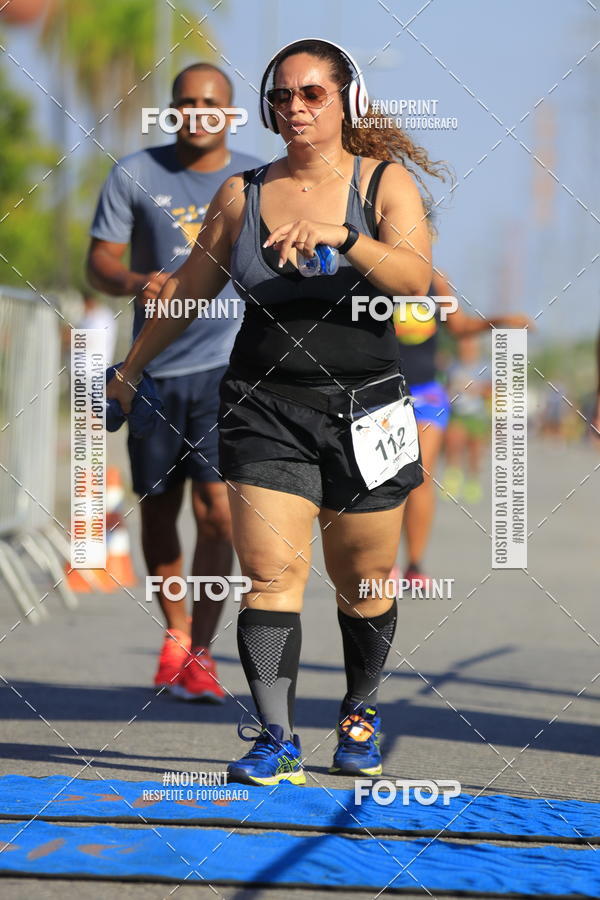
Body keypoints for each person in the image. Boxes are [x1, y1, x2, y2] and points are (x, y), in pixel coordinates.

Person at [107, 37, 447, 785]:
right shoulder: (244, 193)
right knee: (268, 576)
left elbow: (416, 280)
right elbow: (189, 292)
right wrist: (129, 373)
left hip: (368, 412)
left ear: (346, 101)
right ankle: (275, 736)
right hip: (264, 404)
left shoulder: (382, 183)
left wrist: (344, 237)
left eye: (311, 93)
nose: (295, 107)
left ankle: (359, 712)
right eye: (282, 95)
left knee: (365, 580)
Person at [87, 63, 262, 701]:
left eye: (211, 103)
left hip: (229, 368)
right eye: (186, 103)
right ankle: (177, 635)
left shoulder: (258, 180)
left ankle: (203, 653)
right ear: (171, 109)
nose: (198, 113)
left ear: (230, 112)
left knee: (217, 513)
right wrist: (141, 282)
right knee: (159, 508)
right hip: (155, 370)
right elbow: (99, 263)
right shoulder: (134, 172)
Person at [392, 268, 531, 587]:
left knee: (419, 475)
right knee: (384, 477)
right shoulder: (371, 271)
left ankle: (414, 565)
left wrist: (501, 321)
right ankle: (382, 562)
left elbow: (460, 327)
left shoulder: (436, 282)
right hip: (380, 392)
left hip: (426, 392)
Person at [443, 334, 491, 503]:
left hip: (478, 415)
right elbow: (446, 387)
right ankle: (452, 480)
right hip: (457, 413)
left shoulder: (486, 367)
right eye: (463, 345)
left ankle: (472, 482)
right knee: (453, 444)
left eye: (469, 344)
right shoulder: (453, 366)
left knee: (474, 452)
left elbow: (492, 391)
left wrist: (474, 388)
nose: (466, 348)